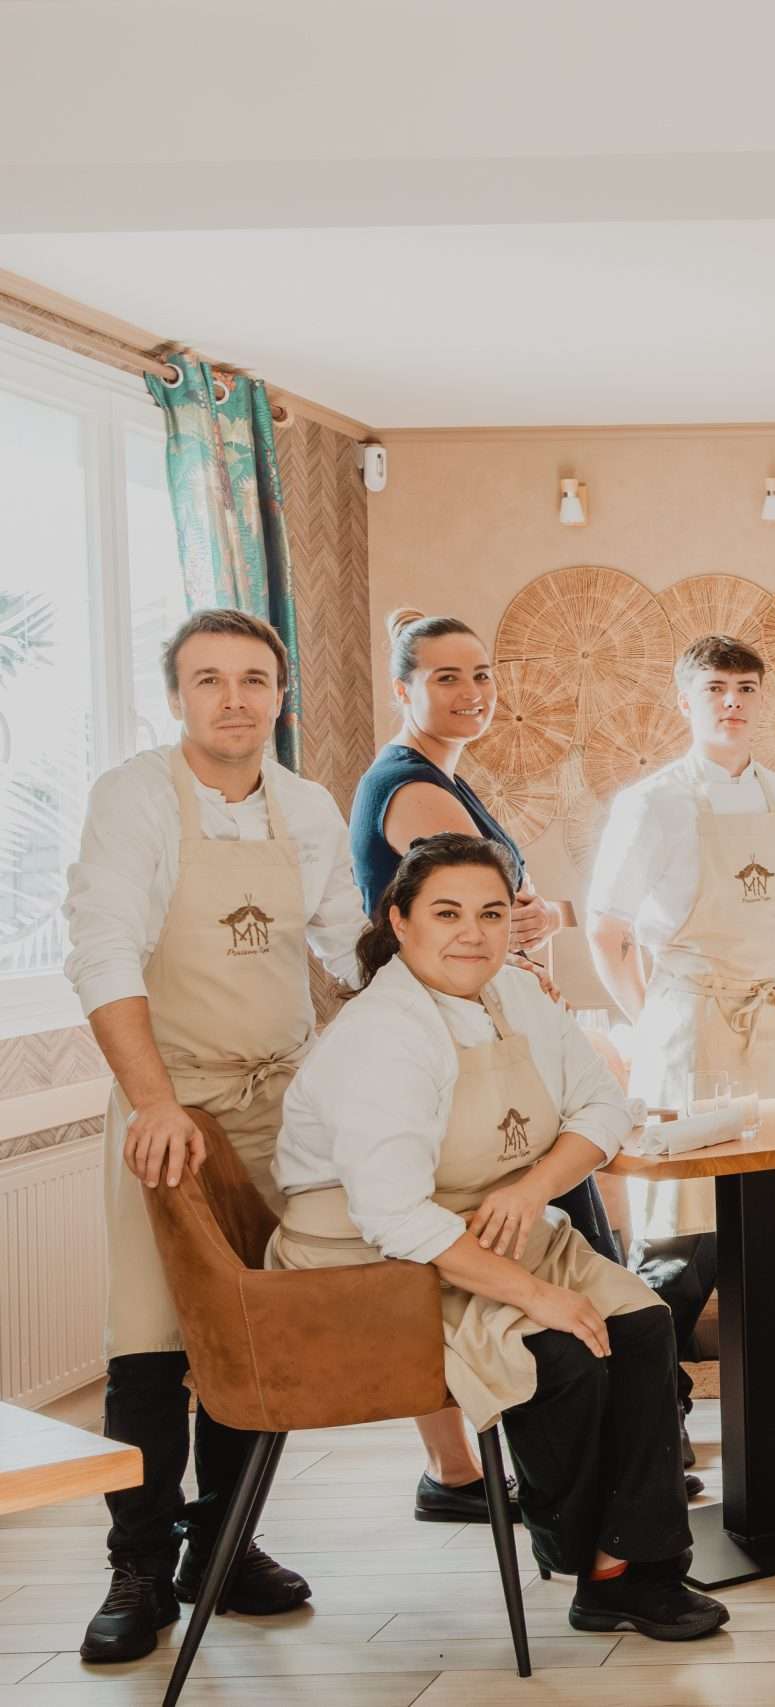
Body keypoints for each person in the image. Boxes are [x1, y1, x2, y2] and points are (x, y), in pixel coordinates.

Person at [272, 834, 726, 1641]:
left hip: (488, 1224)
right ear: (400, 920)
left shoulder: (517, 997)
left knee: (644, 1322)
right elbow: (395, 1216)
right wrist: (539, 1295)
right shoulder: (386, 1033)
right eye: (446, 913)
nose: (472, 933)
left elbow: (602, 1109)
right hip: (371, 1264)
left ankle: (629, 1562)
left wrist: (530, 1187)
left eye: (490, 912)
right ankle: (589, 1558)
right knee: (559, 1352)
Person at [64, 610, 362, 1664]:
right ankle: (137, 1567)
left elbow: (345, 937)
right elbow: (103, 954)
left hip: (283, 1098)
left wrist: (457, 946)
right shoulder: (135, 798)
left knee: (253, 1334)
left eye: (252, 679)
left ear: (280, 695)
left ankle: (223, 1548)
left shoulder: (309, 806)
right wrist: (154, 1106)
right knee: (150, 1342)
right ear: (176, 696)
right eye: (208, 680)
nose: (232, 698)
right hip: (171, 1098)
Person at [353, 608, 623, 1521]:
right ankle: (572, 1464)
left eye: (482, 677)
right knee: (518, 1239)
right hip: (453, 1047)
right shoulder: (411, 784)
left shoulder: (444, 780)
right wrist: (530, 915)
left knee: (532, 1229)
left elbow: (513, 908)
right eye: (446, 678)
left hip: (482, 1033)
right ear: (403, 689)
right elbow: (488, 907)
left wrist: (538, 917)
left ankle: (489, 1468)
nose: (471, 694)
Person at [586, 634, 775, 1441]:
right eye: (714, 688)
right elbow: (606, 929)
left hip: (764, 1022)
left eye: (745, 687)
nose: (731, 702)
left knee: (762, 1210)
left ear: (762, 698)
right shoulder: (653, 801)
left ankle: (764, 1376)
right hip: (685, 1021)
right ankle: (643, 1391)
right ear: (685, 701)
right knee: (681, 1223)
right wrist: (651, 1021)